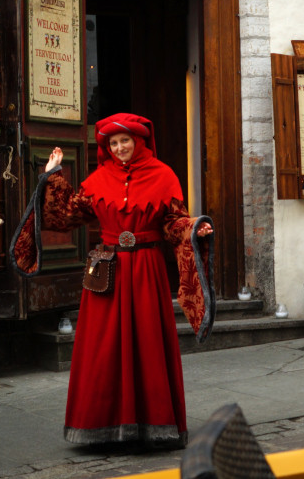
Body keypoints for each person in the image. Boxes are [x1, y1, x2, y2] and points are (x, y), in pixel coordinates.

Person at [12, 113, 213, 447]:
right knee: (102, 346)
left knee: (147, 340)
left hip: (146, 269)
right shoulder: (99, 178)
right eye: (113, 143)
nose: (120, 148)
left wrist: (194, 228)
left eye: (125, 141)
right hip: (107, 270)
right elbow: (64, 216)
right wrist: (52, 177)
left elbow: (173, 223)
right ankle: (99, 426)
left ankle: (154, 426)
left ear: (139, 142)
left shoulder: (163, 176)